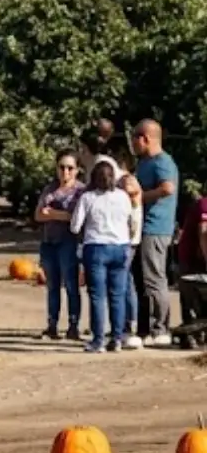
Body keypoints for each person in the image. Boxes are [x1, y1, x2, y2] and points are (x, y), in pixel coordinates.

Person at [71, 158, 135, 353]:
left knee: (97, 296)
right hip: (120, 246)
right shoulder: (123, 197)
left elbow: (75, 226)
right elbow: (130, 220)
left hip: (96, 246)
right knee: (117, 294)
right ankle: (117, 338)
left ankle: (98, 339)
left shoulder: (88, 198)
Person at [130, 120, 180, 346]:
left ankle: (161, 328)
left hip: (156, 228)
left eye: (134, 139)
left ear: (145, 138)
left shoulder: (163, 162)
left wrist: (141, 197)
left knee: (154, 279)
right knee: (141, 280)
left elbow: (168, 188)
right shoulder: (144, 162)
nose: (133, 144)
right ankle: (144, 329)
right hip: (142, 228)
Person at [34, 152, 85, 341]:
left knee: (71, 285)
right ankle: (52, 324)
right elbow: (38, 215)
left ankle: (73, 325)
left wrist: (53, 213)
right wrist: (59, 215)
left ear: (77, 170)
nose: (65, 172)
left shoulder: (81, 192)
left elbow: (77, 218)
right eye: (61, 167)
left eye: (70, 168)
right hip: (49, 241)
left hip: (69, 242)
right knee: (52, 285)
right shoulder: (50, 189)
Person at [176, 185, 207, 348]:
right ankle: (187, 334)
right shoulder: (204, 204)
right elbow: (204, 233)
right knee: (190, 297)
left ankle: (198, 333)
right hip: (191, 258)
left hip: (200, 258)